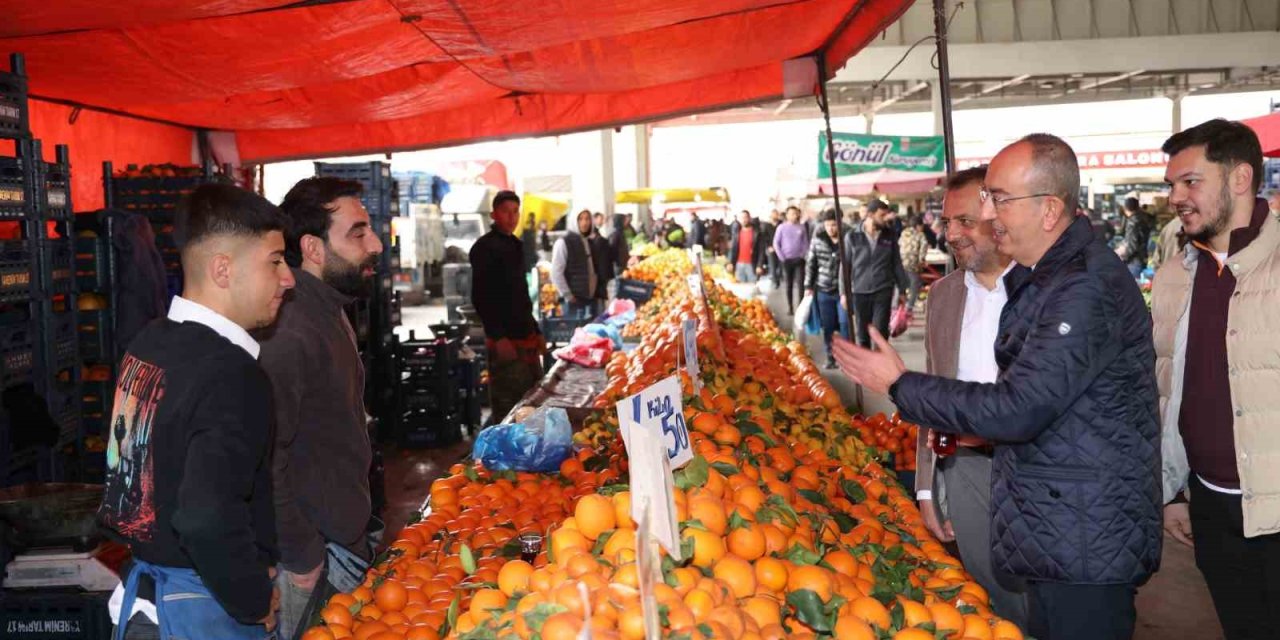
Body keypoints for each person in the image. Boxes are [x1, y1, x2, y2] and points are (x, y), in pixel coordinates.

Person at [835, 134, 1161, 640]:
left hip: (1083, 534)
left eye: (999, 199)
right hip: (1061, 520)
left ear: (1049, 209)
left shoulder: (1082, 288)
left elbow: (1019, 408)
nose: (988, 213)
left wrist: (901, 385)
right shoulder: (1048, 278)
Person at [103, 184, 293, 639]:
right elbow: (204, 515)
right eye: (275, 261)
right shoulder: (232, 373)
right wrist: (252, 602)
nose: (288, 278)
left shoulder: (149, 342)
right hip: (198, 611)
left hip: (144, 603)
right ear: (223, 269)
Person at [1152, 118, 1280, 640]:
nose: (1176, 197)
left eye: (1190, 182)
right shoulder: (1174, 274)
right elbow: (1166, 391)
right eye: (1171, 185)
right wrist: (1173, 490)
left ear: (1240, 178)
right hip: (1209, 508)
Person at [259, 178, 383, 638]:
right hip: (312, 558)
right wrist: (303, 554)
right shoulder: (289, 329)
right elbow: (267, 457)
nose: (375, 244)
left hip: (341, 540)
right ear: (312, 247)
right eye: (357, 233)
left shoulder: (330, 309)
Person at [912, 166, 1029, 628]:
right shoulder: (941, 296)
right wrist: (927, 486)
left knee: (1045, 597)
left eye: (963, 221)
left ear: (996, 215)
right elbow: (931, 390)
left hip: (1033, 465)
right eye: (946, 223)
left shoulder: (1041, 287)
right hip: (966, 469)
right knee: (991, 595)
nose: (951, 234)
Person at [470, 191, 545, 424]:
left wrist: (536, 331)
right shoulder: (484, 248)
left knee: (533, 400)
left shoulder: (516, 245)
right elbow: (481, 297)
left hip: (525, 336)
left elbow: (521, 296)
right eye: (506, 212)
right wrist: (498, 337)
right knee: (509, 407)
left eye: (515, 212)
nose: (512, 217)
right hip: (505, 342)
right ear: (494, 214)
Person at [844, 199, 910, 348]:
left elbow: (896, 263)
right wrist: (844, 293)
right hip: (859, 290)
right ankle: (866, 367)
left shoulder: (889, 235)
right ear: (870, 215)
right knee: (862, 333)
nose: (886, 218)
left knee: (880, 332)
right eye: (882, 215)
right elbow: (845, 267)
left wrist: (902, 290)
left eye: (887, 215)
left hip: (883, 288)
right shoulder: (852, 236)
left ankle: (880, 365)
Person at [805, 209, 844, 368]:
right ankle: (830, 356)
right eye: (828, 225)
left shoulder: (847, 239)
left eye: (834, 225)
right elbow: (811, 264)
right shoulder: (817, 240)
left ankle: (846, 359)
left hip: (843, 292)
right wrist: (808, 285)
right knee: (828, 326)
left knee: (844, 324)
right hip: (823, 289)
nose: (831, 228)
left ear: (840, 223)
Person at [551, 210, 601, 319]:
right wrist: (568, 295)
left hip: (591, 299)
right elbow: (556, 273)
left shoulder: (590, 240)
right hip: (574, 302)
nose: (584, 223)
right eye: (580, 219)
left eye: (587, 219)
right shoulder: (563, 243)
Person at [772, 206, 809, 314]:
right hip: (786, 260)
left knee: (801, 284)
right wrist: (782, 257)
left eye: (795, 213)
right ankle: (790, 307)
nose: (794, 215)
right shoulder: (781, 227)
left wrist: (802, 255)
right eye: (791, 213)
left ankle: (800, 308)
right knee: (789, 284)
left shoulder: (801, 227)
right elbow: (776, 244)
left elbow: (805, 243)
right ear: (787, 215)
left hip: (799, 260)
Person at [898, 214, 930, 312]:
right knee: (915, 284)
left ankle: (900, 306)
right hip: (913, 264)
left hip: (901, 263)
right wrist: (922, 261)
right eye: (922, 226)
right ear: (918, 226)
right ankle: (910, 306)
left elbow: (899, 244)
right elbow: (923, 249)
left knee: (904, 284)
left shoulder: (904, 233)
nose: (922, 228)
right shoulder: (920, 235)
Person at [1116, 196, 1155, 278]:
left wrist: (1122, 256)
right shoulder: (1143, 218)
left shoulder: (1132, 222)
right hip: (1142, 256)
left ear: (1125, 209)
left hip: (1134, 260)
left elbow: (1132, 245)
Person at [728, 210, 767, 283]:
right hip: (739, 265)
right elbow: (732, 249)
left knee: (752, 289)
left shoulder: (757, 233)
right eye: (742, 218)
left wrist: (759, 265)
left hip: (752, 265)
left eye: (746, 217)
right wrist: (730, 262)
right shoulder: (736, 232)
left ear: (749, 218)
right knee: (740, 290)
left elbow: (761, 251)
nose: (744, 220)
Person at [588, 213, 613, 310]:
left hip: (599, 276)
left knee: (598, 303)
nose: (603, 222)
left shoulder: (599, 241)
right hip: (599, 276)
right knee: (599, 302)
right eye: (601, 219)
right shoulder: (600, 241)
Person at [762, 210, 779, 287]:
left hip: (780, 248)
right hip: (771, 248)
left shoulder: (781, 224)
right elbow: (765, 238)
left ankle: (779, 278)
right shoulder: (767, 225)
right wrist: (768, 246)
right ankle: (774, 280)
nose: (774, 216)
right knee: (772, 264)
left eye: (776, 214)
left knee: (780, 265)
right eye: (773, 214)